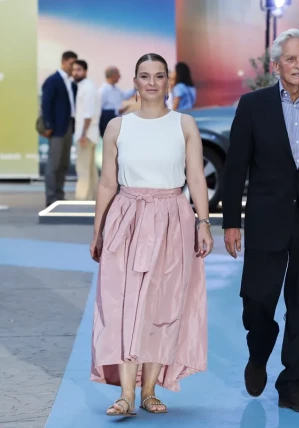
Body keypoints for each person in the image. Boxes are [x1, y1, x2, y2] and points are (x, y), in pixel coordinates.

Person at [222, 29, 299, 414]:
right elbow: (235, 167)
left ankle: (293, 385)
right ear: (276, 65)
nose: (298, 65)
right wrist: (230, 223)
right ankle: (259, 350)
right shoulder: (253, 105)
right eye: (290, 59)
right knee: (257, 302)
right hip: (265, 219)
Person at [89, 53, 213, 417]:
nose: (152, 82)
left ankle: (149, 391)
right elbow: (108, 182)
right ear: (135, 80)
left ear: (168, 81)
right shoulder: (118, 126)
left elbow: (196, 177)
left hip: (173, 218)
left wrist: (203, 223)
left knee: (165, 305)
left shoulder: (184, 124)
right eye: (145, 75)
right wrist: (97, 231)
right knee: (124, 304)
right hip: (126, 219)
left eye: (159, 76)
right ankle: (125, 394)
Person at [40, 50, 78, 207]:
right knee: (54, 164)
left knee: (63, 163)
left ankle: (59, 195)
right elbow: (46, 104)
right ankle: (51, 197)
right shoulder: (53, 80)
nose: (73, 67)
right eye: (71, 63)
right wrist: (48, 125)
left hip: (68, 125)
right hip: (56, 128)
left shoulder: (71, 83)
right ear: (64, 61)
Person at [71, 59, 100, 200]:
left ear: (85, 71)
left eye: (78, 70)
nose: (75, 73)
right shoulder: (87, 87)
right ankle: (94, 200)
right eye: (74, 70)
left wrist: (83, 134)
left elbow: (88, 115)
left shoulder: (87, 88)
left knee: (83, 171)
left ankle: (81, 200)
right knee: (91, 172)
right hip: (90, 135)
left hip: (85, 136)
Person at [98, 66, 135, 137]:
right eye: (118, 74)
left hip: (116, 120)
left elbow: (124, 96)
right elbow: (99, 108)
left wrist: (135, 89)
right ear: (113, 75)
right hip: (107, 121)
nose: (120, 76)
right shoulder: (103, 91)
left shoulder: (116, 88)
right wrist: (117, 111)